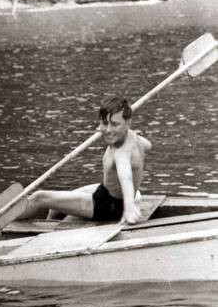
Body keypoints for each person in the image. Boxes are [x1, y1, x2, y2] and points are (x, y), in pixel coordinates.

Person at [18, 95, 152, 225]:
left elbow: (126, 177)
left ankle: (7, 220)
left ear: (128, 123)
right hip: (107, 192)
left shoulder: (121, 152)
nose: (108, 129)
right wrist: (115, 130)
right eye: (105, 123)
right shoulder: (133, 138)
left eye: (115, 124)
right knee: (55, 208)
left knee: (39, 197)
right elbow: (148, 145)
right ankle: (48, 226)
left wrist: (129, 208)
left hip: (108, 207)